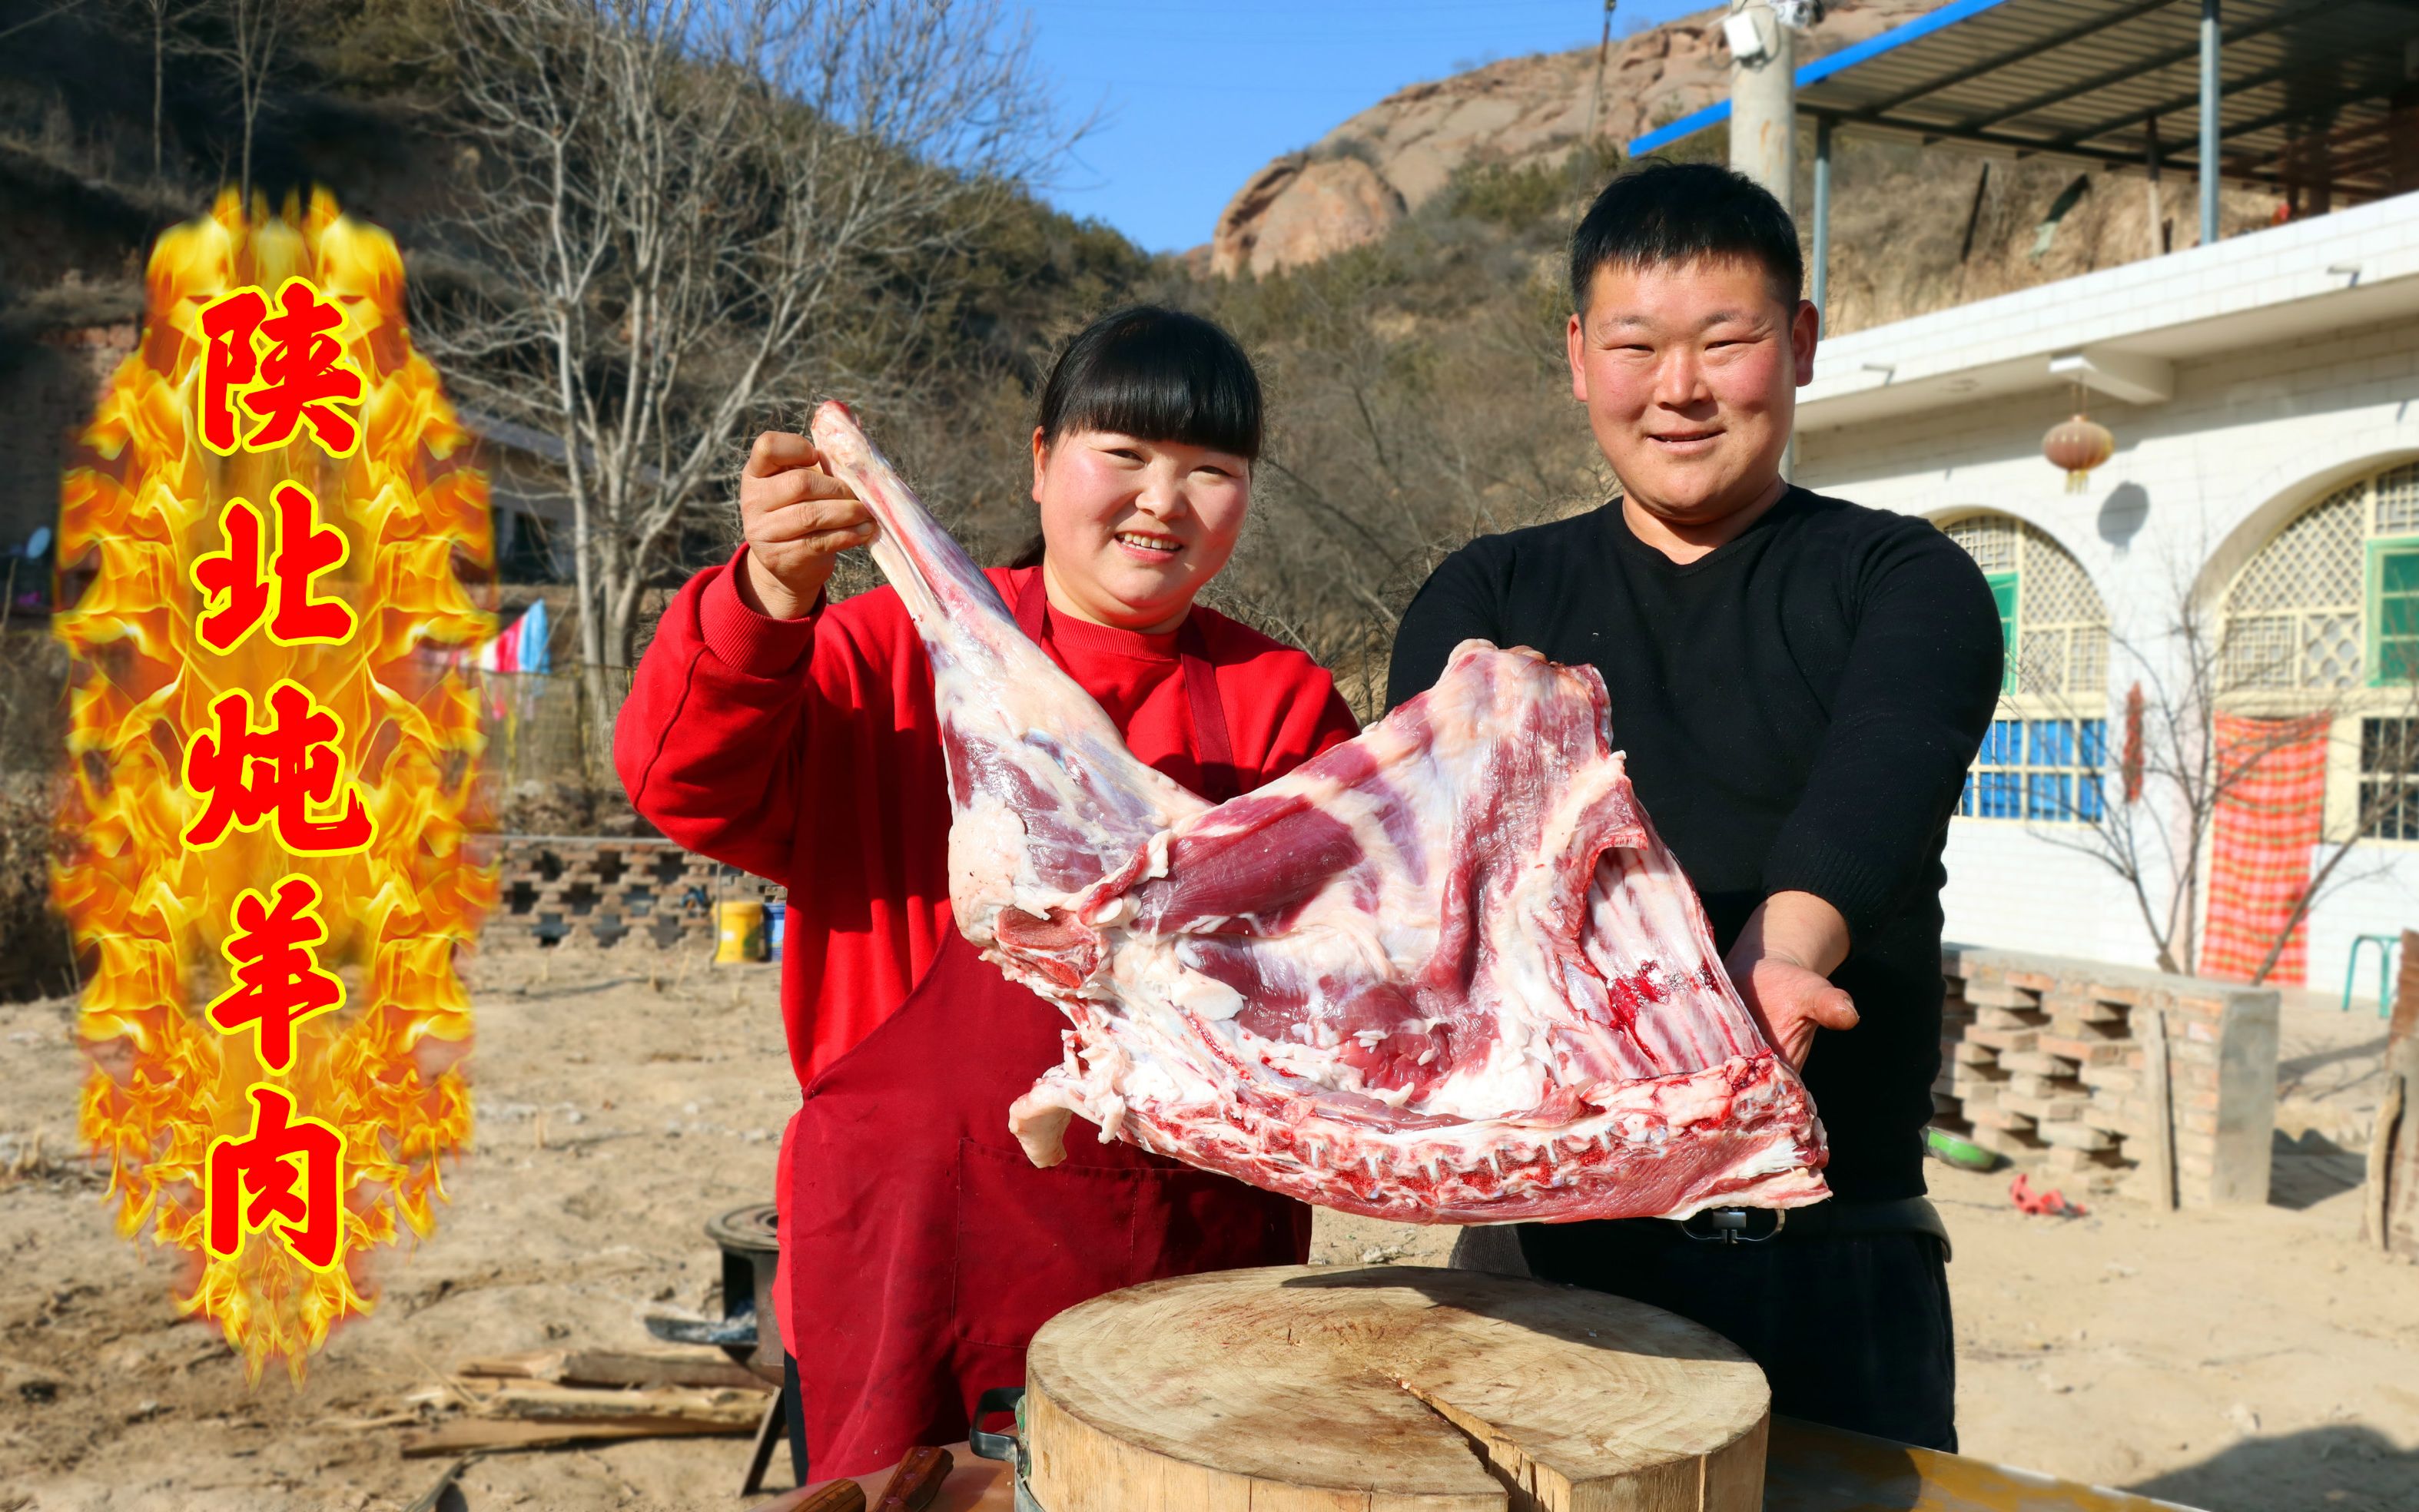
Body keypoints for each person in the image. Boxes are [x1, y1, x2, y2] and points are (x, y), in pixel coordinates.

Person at [616, 307, 1361, 1480]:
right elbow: (683, 781)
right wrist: (763, 597)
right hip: (907, 1257)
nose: (1163, 500)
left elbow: (1341, 975)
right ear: (1040, 458)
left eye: (1211, 471)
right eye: (1123, 455)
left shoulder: (1281, 703)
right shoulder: (889, 653)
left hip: (1184, 1260)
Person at [1385, 161, 2003, 1452]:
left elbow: (1883, 776)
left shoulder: (1905, 577)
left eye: (1726, 344)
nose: (1680, 388)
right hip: (1542, 1255)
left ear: (1801, 346)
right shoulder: (1488, 596)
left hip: (1834, 1244)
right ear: (1576, 357)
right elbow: (1441, 844)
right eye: (1637, 346)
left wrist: (1782, 954)